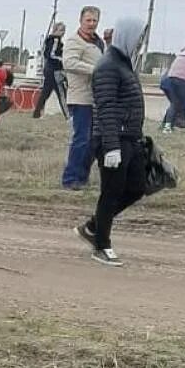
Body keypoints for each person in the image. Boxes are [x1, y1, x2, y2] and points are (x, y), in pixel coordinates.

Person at [74, 18, 147, 267]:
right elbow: (105, 108)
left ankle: (94, 225)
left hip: (130, 138)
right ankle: (101, 245)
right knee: (111, 192)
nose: (140, 43)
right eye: (138, 38)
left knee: (138, 186)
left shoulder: (124, 63)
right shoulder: (108, 65)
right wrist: (112, 146)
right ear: (127, 36)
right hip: (112, 140)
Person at [61, 6, 105, 189]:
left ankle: (82, 176)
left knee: (94, 140)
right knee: (81, 138)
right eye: (88, 20)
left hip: (95, 97)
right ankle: (71, 178)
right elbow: (69, 63)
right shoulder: (74, 41)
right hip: (80, 97)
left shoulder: (98, 42)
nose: (91, 24)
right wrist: (94, 70)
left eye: (94, 21)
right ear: (81, 21)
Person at [32, 22, 67, 118]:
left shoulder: (51, 40)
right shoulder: (55, 40)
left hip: (49, 69)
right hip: (54, 70)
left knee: (46, 92)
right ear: (55, 30)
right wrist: (62, 60)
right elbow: (50, 54)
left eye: (64, 30)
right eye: (61, 30)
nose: (63, 32)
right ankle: (68, 115)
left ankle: (36, 113)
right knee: (62, 93)